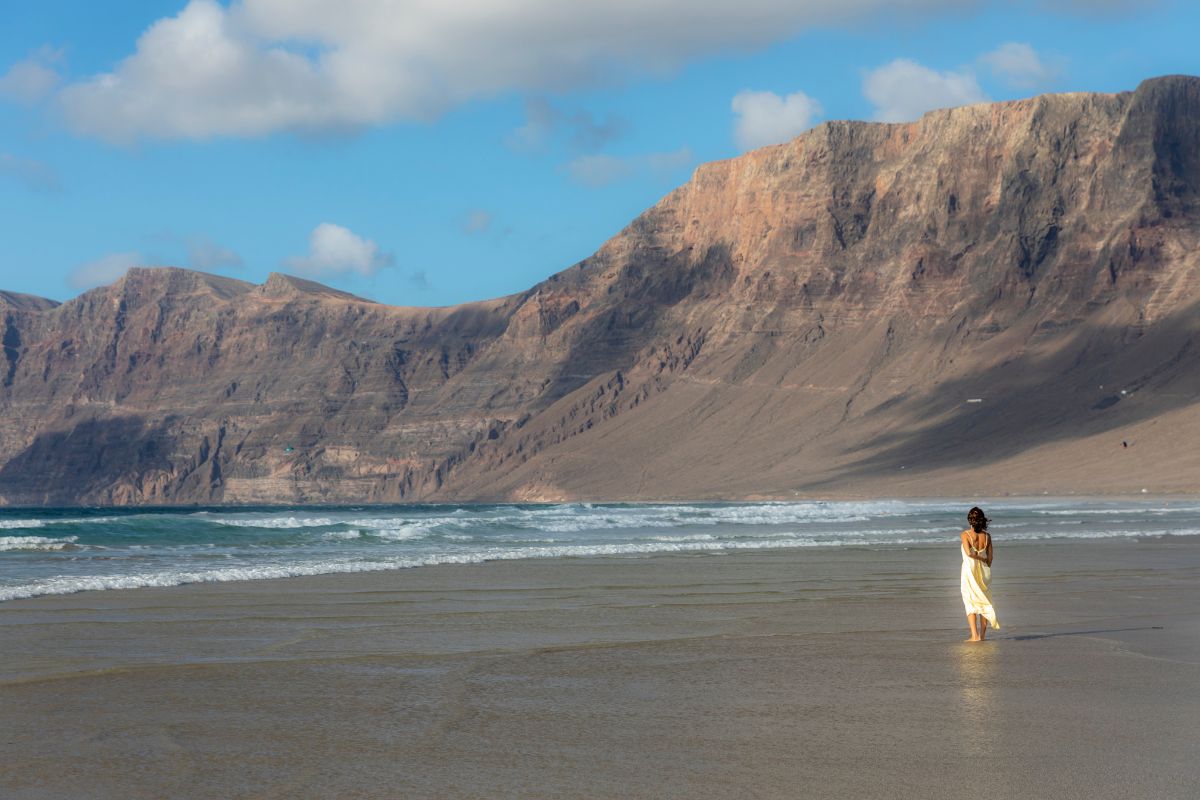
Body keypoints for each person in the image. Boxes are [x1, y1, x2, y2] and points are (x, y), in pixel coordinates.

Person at [960, 506, 999, 642]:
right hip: (984, 571)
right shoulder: (987, 537)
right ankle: (982, 636)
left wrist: (980, 559)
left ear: (970, 520)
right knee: (984, 601)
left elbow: (969, 553)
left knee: (970, 601)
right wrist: (985, 565)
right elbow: (990, 558)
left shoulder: (965, 535)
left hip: (969, 572)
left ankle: (974, 635)